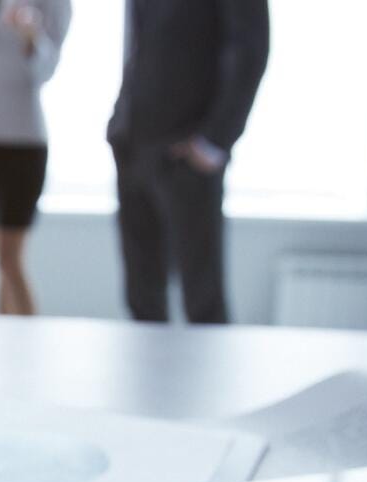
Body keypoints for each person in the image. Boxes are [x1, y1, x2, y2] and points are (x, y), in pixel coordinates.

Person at [110, 0, 269, 324]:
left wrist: (214, 141)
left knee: (203, 301)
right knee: (141, 298)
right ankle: (146, 376)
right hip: (132, 145)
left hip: (186, 155)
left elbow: (251, 50)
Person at [0, 0, 70, 317]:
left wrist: (32, 36)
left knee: (10, 258)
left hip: (25, 142)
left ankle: (30, 341)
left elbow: (46, 69)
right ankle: (2, 346)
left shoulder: (56, 5)